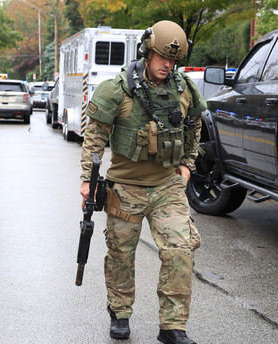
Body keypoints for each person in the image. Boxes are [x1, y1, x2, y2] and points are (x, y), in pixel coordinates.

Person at [79, 20, 205, 344]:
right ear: (147, 52)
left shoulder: (184, 89)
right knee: (121, 253)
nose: (167, 64)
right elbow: (94, 138)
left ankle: (173, 326)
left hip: (167, 187)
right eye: (162, 57)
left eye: (173, 60)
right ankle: (120, 313)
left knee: (180, 250)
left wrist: (188, 164)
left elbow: (195, 127)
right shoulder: (117, 89)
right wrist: (87, 182)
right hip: (125, 188)